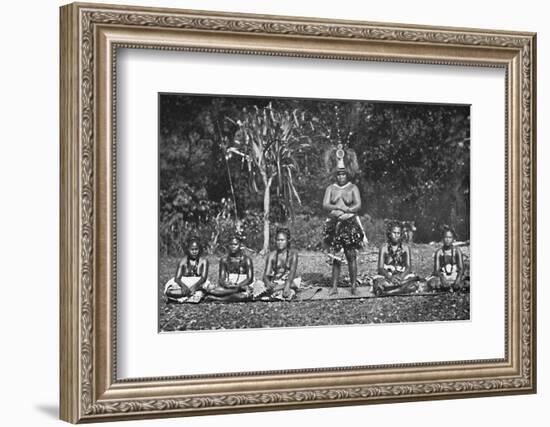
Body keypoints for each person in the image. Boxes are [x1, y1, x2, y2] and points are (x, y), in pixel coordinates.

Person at [322, 166, 364, 295]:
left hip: (349, 222)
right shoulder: (331, 188)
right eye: (339, 175)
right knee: (336, 257)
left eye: (343, 175)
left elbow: (358, 205)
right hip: (334, 223)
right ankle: (334, 287)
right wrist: (337, 207)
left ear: (347, 176)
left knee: (351, 255)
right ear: (336, 176)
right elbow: (325, 204)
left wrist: (346, 210)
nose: (341, 177)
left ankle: (353, 286)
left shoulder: (353, 188)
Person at [203, 234, 254, 302]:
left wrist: (238, 286)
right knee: (213, 290)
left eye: (235, 244)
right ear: (228, 246)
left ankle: (219, 299)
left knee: (244, 295)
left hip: (243, 285)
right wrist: (226, 284)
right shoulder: (224, 260)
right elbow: (221, 278)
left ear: (240, 245)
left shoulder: (246, 260)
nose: (233, 247)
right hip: (230, 286)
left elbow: (249, 279)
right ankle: (230, 293)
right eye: (231, 244)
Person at [254, 227, 301, 300]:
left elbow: (292, 274)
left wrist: (287, 285)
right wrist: (268, 284)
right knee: (258, 284)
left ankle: (275, 292)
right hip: (275, 281)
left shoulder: (293, 254)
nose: (280, 242)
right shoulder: (271, 255)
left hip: (288, 281)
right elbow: (266, 275)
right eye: (278, 240)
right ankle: (275, 292)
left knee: (295, 284)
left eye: (282, 240)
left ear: (288, 241)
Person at [373, 222, 420, 296]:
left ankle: (390, 292)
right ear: (389, 233)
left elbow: (408, 267)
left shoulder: (406, 248)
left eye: (398, 233)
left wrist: (401, 277)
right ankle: (400, 289)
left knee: (413, 283)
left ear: (401, 234)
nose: (396, 235)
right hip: (388, 276)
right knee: (379, 284)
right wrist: (390, 277)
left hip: (402, 276)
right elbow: (380, 268)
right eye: (394, 233)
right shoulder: (384, 248)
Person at [164, 237, 210, 303]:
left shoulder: (204, 261)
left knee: (208, 288)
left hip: (199, 283)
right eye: (192, 249)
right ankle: (193, 296)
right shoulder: (182, 262)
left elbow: (203, 278)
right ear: (188, 250)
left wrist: (195, 287)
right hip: (185, 283)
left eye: (196, 249)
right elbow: (177, 278)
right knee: (169, 292)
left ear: (199, 250)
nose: (194, 252)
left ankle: (180, 298)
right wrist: (183, 286)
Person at [428, 226, 465, 292]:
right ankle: (447, 287)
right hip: (443, 276)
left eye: (450, 237)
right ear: (442, 239)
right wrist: (442, 278)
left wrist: (458, 279)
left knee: (467, 283)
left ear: (453, 239)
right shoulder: (439, 252)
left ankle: (451, 286)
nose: (447, 240)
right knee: (432, 283)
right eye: (446, 237)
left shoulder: (457, 251)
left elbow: (461, 268)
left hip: (455, 275)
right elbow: (436, 270)